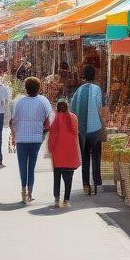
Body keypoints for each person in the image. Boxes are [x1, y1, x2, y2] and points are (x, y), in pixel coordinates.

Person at [9, 77, 53, 204]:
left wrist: (13, 135)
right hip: (36, 138)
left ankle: (23, 191)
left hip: (21, 138)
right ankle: (30, 192)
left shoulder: (19, 102)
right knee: (31, 166)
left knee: (23, 166)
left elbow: (13, 120)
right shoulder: (43, 101)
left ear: (26, 88)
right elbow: (50, 118)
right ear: (38, 88)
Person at [71, 65, 106, 195]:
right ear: (95, 75)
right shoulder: (97, 89)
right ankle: (96, 182)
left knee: (85, 157)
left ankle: (86, 185)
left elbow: (73, 110)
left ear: (84, 76)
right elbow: (99, 107)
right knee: (96, 156)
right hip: (96, 128)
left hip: (82, 130)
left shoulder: (78, 91)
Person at [47, 99, 81, 209]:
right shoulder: (73, 117)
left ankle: (57, 200)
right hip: (70, 152)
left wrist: (50, 148)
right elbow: (76, 134)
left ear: (57, 108)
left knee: (57, 177)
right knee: (68, 178)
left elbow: (51, 135)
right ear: (67, 107)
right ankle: (66, 200)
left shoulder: (54, 118)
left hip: (57, 153)